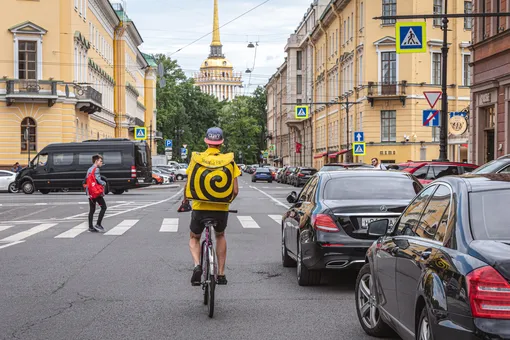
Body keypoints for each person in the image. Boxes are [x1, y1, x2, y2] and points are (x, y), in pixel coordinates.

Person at [183, 127, 241, 286]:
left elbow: (188, 185)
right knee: (220, 235)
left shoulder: (196, 159)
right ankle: (221, 274)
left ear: (206, 142)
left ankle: (196, 265)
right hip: (220, 209)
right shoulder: (229, 160)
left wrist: (185, 202)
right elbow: (235, 190)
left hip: (200, 208)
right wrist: (226, 202)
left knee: (194, 237)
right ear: (221, 143)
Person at [85, 155, 107, 233]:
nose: (101, 163)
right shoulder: (96, 169)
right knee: (104, 207)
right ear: (96, 161)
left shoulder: (89, 169)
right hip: (96, 192)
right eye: (100, 161)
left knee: (92, 209)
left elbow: (86, 180)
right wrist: (104, 183)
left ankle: (90, 227)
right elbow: (98, 180)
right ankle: (98, 224)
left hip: (90, 192)